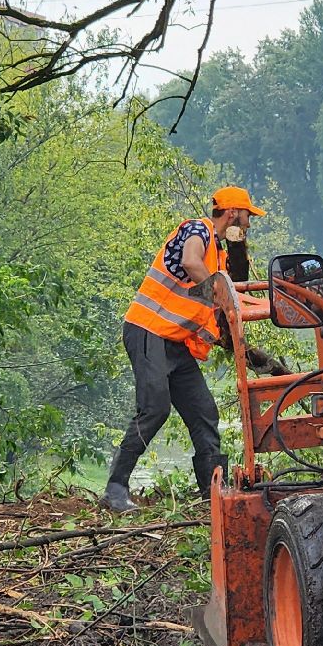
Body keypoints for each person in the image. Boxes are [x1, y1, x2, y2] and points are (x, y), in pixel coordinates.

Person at [103, 185, 265, 511]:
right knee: (155, 408)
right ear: (232, 213)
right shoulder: (197, 230)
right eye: (247, 216)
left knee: (204, 412)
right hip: (148, 329)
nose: (248, 223)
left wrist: (253, 355)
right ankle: (115, 488)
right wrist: (218, 291)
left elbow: (222, 314)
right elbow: (191, 263)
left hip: (174, 343)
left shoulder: (219, 256)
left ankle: (212, 496)